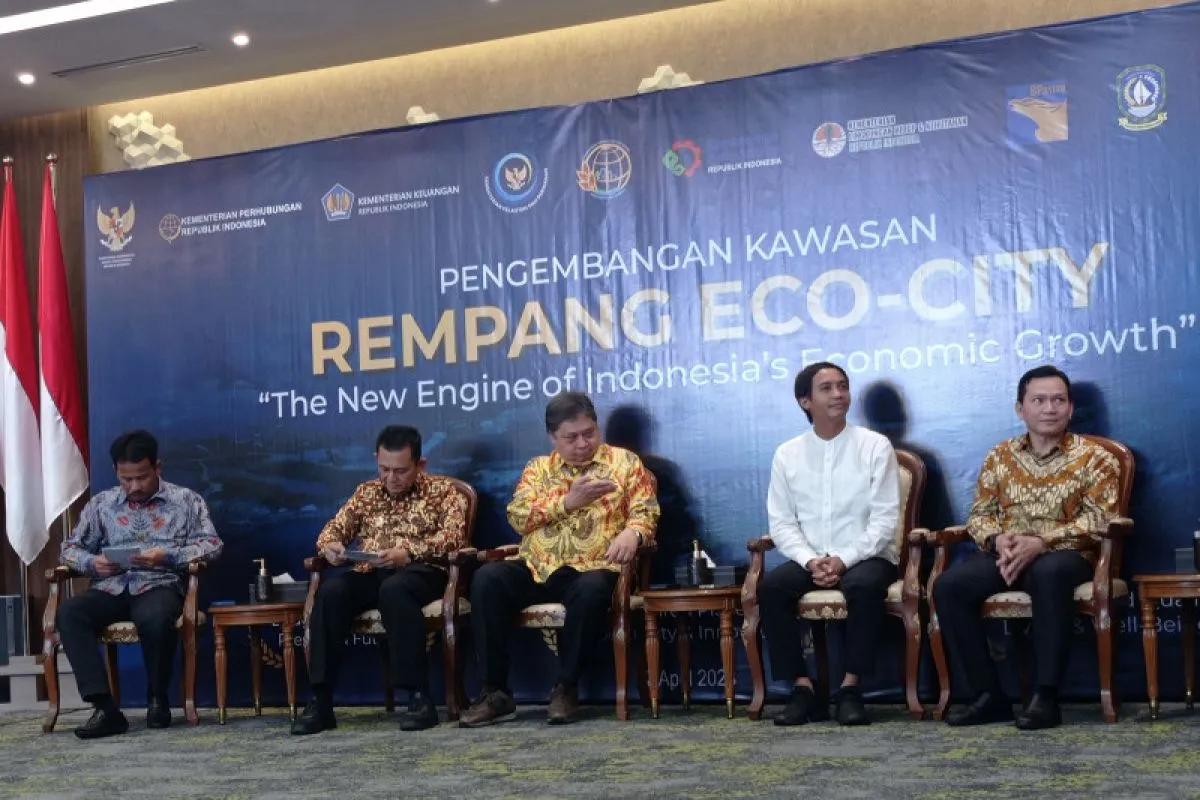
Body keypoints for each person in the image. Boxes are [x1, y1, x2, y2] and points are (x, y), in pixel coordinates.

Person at [933, 365, 1119, 730]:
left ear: (1070, 408)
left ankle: (1045, 697)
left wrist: (1042, 542)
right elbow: (979, 516)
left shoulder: (1097, 457)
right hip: (1008, 554)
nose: (1049, 408)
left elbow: (1100, 520)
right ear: (1021, 408)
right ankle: (988, 696)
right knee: (949, 586)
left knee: (1048, 573)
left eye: (1058, 400)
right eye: (1039, 400)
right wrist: (997, 539)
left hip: (1069, 555)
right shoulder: (999, 456)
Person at [459, 391, 660, 727]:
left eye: (589, 433)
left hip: (596, 565)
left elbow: (646, 510)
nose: (582, 443)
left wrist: (633, 532)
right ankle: (495, 692)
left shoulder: (624, 463)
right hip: (539, 565)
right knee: (488, 579)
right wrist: (567, 503)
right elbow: (518, 517)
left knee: (592, 589)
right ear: (553, 437)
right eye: (571, 437)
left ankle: (566, 688)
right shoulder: (538, 469)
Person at [292, 425, 469, 734]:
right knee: (331, 592)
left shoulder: (443, 492)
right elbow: (333, 529)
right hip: (372, 570)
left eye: (400, 471)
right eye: (384, 469)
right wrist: (331, 547)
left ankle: (418, 697)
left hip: (422, 571)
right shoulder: (367, 493)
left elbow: (453, 538)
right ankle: (320, 700)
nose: (390, 478)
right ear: (376, 459)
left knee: (395, 589)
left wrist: (408, 552)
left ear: (420, 464)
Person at [758, 362, 900, 726]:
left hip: (867, 554)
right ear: (805, 401)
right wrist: (810, 560)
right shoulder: (787, 454)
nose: (838, 394)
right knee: (772, 587)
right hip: (811, 557)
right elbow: (782, 523)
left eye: (843, 386)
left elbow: (885, 521)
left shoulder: (875, 446)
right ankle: (803, 689)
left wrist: (844, 559)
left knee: (864, 585)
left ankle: (850, 689)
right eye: (827, 388)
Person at [58, 430, 223, 739]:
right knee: (69, 612)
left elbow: (212, 545)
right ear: (116, 472)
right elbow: (69, 549)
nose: (134, 486)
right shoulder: (102, 504)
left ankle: (157, 699)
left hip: (158, 584)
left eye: (142, 477)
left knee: (156, 617)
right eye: (126, 479)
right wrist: (92, 563)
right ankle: (105, 707)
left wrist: (168, 556)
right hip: (109, 586)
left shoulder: (186, 501)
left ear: (157, 467)